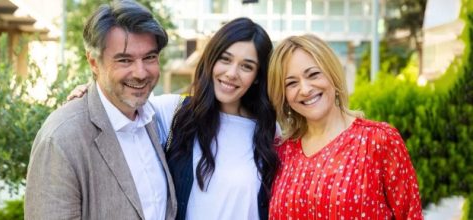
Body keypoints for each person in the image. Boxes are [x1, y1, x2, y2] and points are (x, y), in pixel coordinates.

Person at [67, 17, 279, 220]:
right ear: (211, 60)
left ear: (257, 78)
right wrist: (89, 92)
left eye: (247, 66)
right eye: (225, 59)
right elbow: (117, 105)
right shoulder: (174, 112)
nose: (232, 73)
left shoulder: (269, 132)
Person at [24, 1, 176, 219]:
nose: (141, 73)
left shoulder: (156, 119)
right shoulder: (61, 138)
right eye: (125, 60)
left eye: (149, 57)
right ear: (93, 62)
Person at [266, 34, 423, 219]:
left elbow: (410, 214)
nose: (306, 89)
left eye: (313, 74)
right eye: (291, 83)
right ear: (283, 95)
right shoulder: (281, 152)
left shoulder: (378, 140)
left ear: (332, 74)